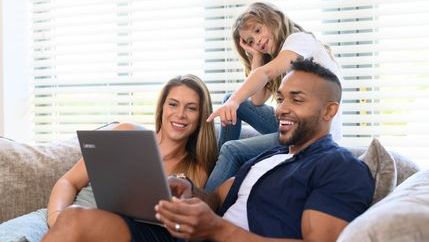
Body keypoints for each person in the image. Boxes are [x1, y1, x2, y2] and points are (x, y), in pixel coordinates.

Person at [41, 58, 374, 242]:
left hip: (212, 238)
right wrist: (189, 191)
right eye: (281, 98)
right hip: (189, 239)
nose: (282, 109)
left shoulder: (338, 166)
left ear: (330, 111)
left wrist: (217, 229)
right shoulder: (267, 159)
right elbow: (215, 199)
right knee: (73, 221)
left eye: (296, 99)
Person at [45, 74, 218, 229]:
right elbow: (69, 182)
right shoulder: (126, 133)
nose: (180, 114)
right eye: (173, 104)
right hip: (59, 219)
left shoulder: (195, 171)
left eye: (191, 108)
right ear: (163, 107)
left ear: (201, 116)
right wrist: (57, 221)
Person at [205, 2, 342, 191]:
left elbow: (266, 74)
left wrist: (234, 101)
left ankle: (200, 205)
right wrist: (257, 57)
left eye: (258, 30)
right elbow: (257, 100)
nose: (257, 41)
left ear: (273, 19)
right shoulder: (278, 58)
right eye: (250, 41)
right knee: (232, 100)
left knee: (232, 149)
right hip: (296, 122)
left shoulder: (299, 40)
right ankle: (219, 165)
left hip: (312, 133)